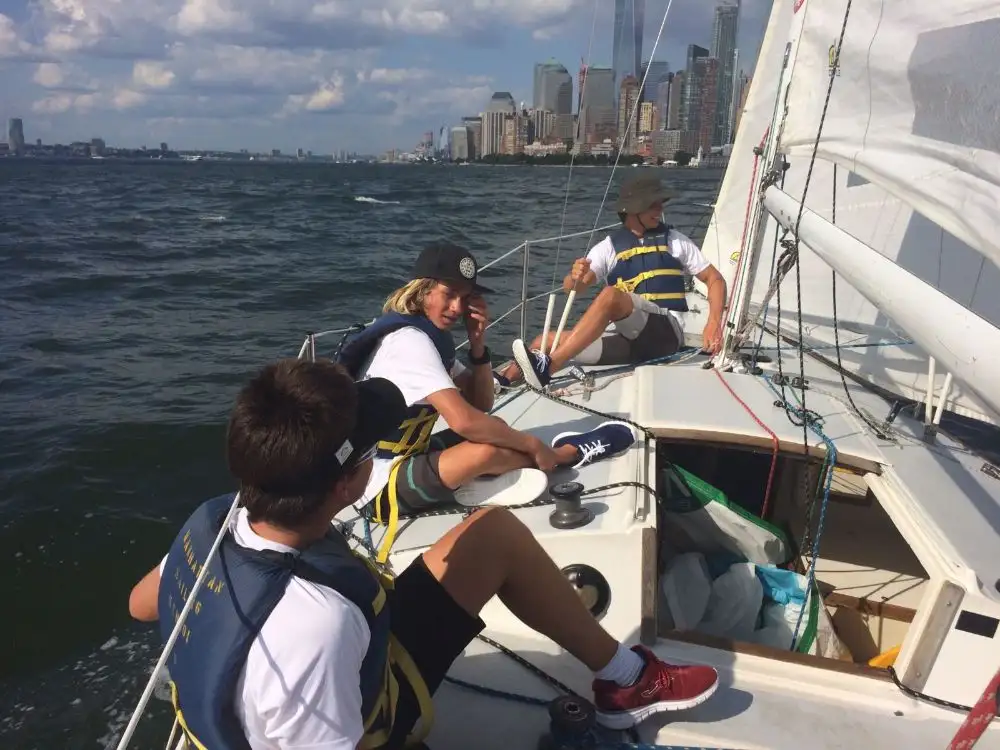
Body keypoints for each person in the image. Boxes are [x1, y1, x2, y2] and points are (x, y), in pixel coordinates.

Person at [128, 358, 720, 750]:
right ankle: (626, 679)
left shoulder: (212, 519)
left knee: (492, 533)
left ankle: (625, 679)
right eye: (371, 450)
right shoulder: (315, 625)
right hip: (368, 715)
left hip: (307, 659)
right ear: (347, 482)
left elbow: (142, 606)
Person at [337, 241, 638, 554]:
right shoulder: (410, 343)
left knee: (493, 425)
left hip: (409, 454)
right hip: (375, 487)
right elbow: (465, 421)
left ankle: (477, 479)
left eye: (464, 298)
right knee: (483, 453)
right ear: (422, 291)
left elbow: (481, 404)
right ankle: (567, 454)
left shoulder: (426, 336)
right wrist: (535, 446)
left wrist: (477, 344)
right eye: (448, 294)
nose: (456, 307)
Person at [500, 175, 727, 390]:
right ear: (634, 209)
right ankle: (501, 382)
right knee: (544, 341)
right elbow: (575, 288)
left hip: (665, 336)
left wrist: (714, 322)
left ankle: (548, 368)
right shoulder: (608, 247)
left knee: (611, 296)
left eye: (661, 204)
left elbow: (715, 279)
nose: (661, 210)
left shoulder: (675, 241)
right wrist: (574, 276)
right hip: (628, 343)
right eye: (654, 205)